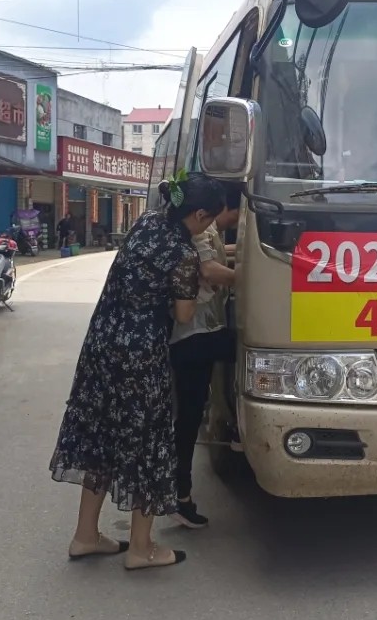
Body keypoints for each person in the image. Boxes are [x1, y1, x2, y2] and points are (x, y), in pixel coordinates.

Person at [48, 172, 227, 571]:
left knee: (100, 434)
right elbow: (184, 315)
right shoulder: (182, 252)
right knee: (147, 442)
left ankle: (86, 535)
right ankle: (141, 548)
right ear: (199, 214)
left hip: (101, 343)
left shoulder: (146, 222)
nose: (211, 226)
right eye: (211, 219)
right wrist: (202, 290)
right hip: (141, 355)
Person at [168, 182, 242, 528]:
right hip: (192, 335)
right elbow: (208, 269)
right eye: (236, 218)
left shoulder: (193, 227)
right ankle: (178, 495)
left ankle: (177, 492)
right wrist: (250, 279)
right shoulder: (197, 232)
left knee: (187, 415)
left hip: (200, 331)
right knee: (186, 418)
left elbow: (217, 256)